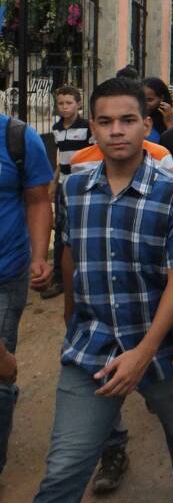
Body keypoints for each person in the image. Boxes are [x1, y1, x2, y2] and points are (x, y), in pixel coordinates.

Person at [34, 78, 173, 502]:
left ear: (146, 126)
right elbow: (72, 255)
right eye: (105, 121)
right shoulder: (74, 190)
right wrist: (69, 317)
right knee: (64, 468)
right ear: (92, 129)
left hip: (160, 346)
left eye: (127, 120)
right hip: (91, 347)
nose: (116, 130)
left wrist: (144, 352)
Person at [0, 111, 53, 476]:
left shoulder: (18, 138)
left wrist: (38, 256)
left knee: (0, 372)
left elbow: (37, 200)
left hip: (6, 272)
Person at [43, 86, 91, 300]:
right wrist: (54, 182)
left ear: (79, 104)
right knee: (61, 229)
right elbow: (60, 158)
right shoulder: (56, 128)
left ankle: (84, 274)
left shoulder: (88, 128)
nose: (64, 107)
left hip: (81, 185)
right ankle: (60, 277)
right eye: (60, 103)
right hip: (63, 185)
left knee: (82, 228)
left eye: (68, 103)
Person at [142, 77, 173, 142]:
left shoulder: (171, 120)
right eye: (141, 99)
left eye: (150, 100)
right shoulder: (136, 119)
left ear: (162, 98)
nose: (144, 104)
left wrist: (168, 123)